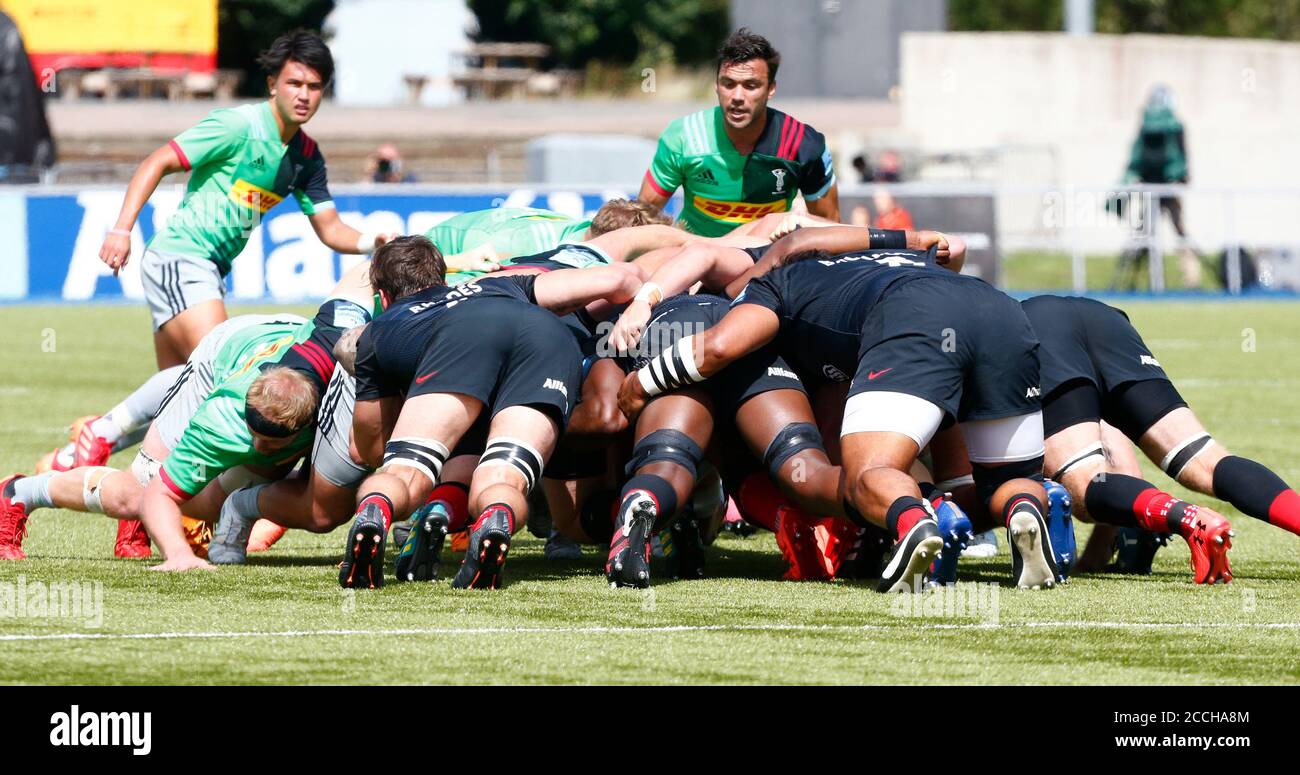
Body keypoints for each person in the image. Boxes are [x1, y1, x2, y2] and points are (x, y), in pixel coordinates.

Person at [620, 228, 1055, 594]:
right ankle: (1023, 509)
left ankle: (913, 521)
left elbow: (717, 347)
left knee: (866, 476)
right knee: (1010, 478)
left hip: (910, 317)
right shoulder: (882, 260)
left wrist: (641, 383)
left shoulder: (778, 281)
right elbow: (951, 251)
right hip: (1001, 312)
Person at [339, 236, 646, 590]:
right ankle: (495, 516)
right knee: (505, 477)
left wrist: (402, 454)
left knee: (405, 471)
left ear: (383, 297)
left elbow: (369, 445)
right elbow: (620, 278)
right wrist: (644, 300)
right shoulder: (492, 284)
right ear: (442, 278)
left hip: (457, 341)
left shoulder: (379, 330)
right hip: (545, 337)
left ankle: (375, 510)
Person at [96, 29, 396, 373]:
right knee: (226, 371)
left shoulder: (307, 158)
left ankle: (106, 427)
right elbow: (157, 161)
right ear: (273, 84)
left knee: (176, 393)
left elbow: (330, 228)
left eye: (314, 88)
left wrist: (372, 241)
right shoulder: (237, 126)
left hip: (207, 270)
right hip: (182, 258)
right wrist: (121, 229)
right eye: (294, 83)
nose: (303, 95)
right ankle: (107, 427)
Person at [1023, 295, 1300, 582]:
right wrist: (1092, 560)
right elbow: (1126, 474)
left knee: (1082, 483)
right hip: (1106, 319)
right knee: (1205, 460)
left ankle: (1191, 519)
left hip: (1038, 326)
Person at [637, 29, 839, 236]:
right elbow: (640, 218)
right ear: (717, 85)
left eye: (751, 85)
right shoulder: (683, 137)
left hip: (768, 259)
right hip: (695, 256)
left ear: (771, 88)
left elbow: (830, 227)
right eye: (729, 84)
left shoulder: (804, 144)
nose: (737, 96)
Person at [1118, 85, 1200, 288]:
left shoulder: (1156, 125)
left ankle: (1132, 280)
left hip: (1159, 187)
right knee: (1154, 233)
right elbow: (1182, 158)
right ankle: (1187, 279)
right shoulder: (1169, 126)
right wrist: (1181, 178)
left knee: (1156, 232)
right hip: (1163, 187)